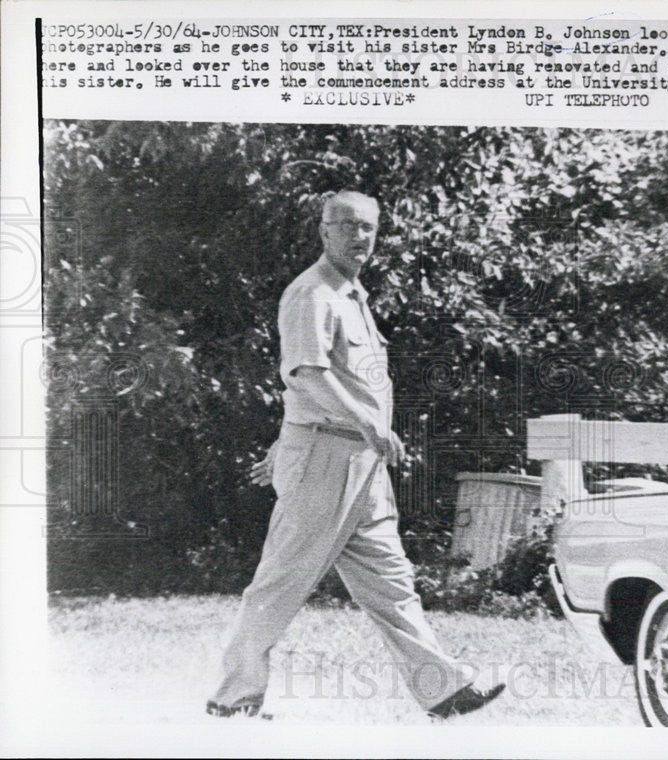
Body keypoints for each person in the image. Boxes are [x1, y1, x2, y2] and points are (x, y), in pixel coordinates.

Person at [206, 190, 504, 720]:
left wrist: (289, 439)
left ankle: (444, 689)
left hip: (358, 464)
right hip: (328, 460)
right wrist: (366, 427)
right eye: (345, 226)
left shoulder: (351, 295)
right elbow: (305, 372)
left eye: (367, 227)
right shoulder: (312, 293)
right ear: (323, 231)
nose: (358, 237)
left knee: (391, 585)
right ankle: (233, 698)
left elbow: (324, 381)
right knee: (281, 583)